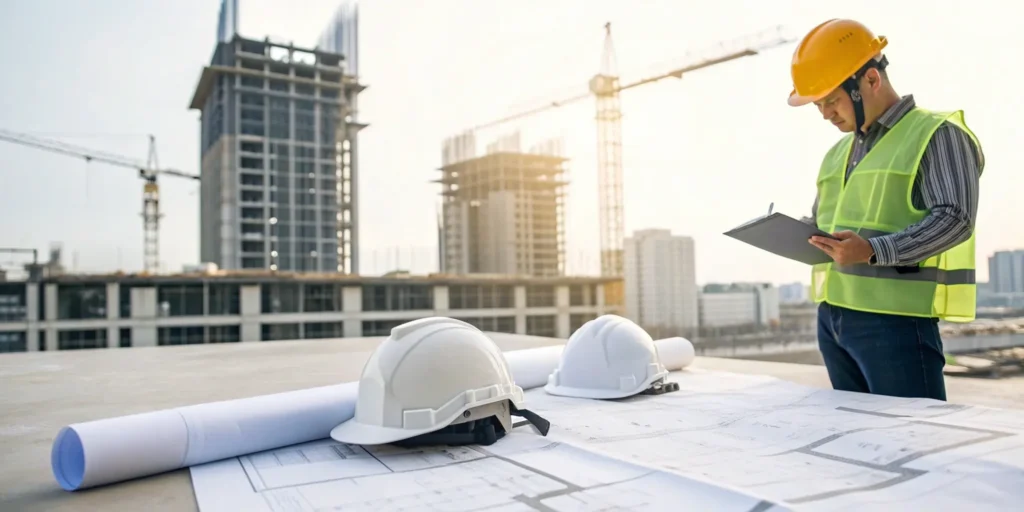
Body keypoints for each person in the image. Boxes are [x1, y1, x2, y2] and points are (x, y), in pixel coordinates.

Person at [787, 19, 984, 401]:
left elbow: (955, 218)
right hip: (833, 319)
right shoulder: (837, 153)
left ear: (871, 81)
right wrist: (796, 234)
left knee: (911, 442)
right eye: (818, 104)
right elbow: (827, 223)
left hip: (896, 323)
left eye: (832, 99)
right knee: (861, 444)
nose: (825, 113)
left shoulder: (937, 133)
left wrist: (874, 250)